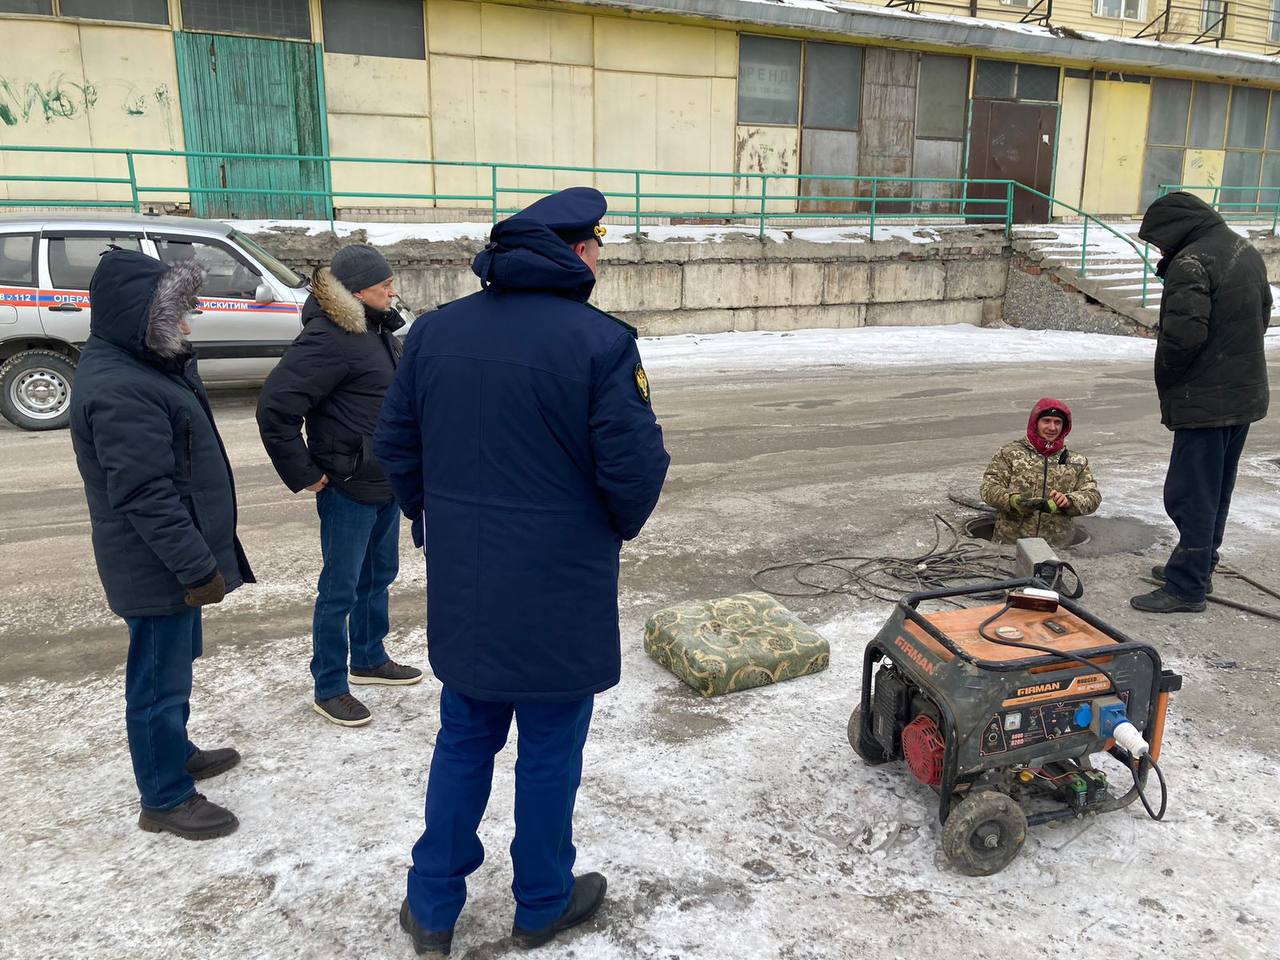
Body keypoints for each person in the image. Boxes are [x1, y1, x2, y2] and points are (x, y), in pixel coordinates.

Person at [374, 187, 670, 956]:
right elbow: (634, 470)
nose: (601, 259)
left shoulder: (434, 333)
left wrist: (441, 519)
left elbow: (397, 447)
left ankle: (432, 906)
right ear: (578, 251)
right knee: (548, 749)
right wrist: (602, 531)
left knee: (464, 737)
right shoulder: (601, 342)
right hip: (560, 587)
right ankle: (541, 899)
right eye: (598, 247)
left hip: (468, 582)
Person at [70, 249, 255, 840]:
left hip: (169, 562)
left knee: (176, 666)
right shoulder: (122, 387)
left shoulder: (145, 365)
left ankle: (173, 751)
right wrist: (198, 567)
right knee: (156, 681)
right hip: (156, 566)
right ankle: (165, 798)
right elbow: (146, 494)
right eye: (177, 314)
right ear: (142, 316)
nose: (187, 325)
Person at [257, 245, 422, 726]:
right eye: (384, 285)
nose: (393, 291)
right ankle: (329, 685)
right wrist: (306, 473)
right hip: (348, 484)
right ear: (355, 293)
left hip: (384, 479)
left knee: (379, 576)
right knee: (340, 590)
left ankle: (368, 658)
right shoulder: (329, 338)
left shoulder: (378, 331)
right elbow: (275, 409)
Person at [1129, 191, 1271, 614]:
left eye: (1158, 241)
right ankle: (1199, 565)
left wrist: (1172, 381)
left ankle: (1187, 587)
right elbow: (1263, 311)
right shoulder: (1241, 248)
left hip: (1205, 401)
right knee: (1217, 490)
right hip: (1242, 395)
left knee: (1191, 494)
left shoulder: (1191, 263)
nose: (1159, 249)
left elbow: (1182, 338)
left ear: (1175, 229)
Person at [980, 398, 1101, 551]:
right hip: (1009, 546)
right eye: (1046, 421)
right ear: (1035, 423)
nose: (1052, 427)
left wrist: (1069, 501)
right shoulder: (1009, 453)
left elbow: (1093, 496)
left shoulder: (1077, 461)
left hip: (1058, 549)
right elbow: (988, 488)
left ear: (1064, 426)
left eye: (1058, 422)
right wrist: (1012, 500)